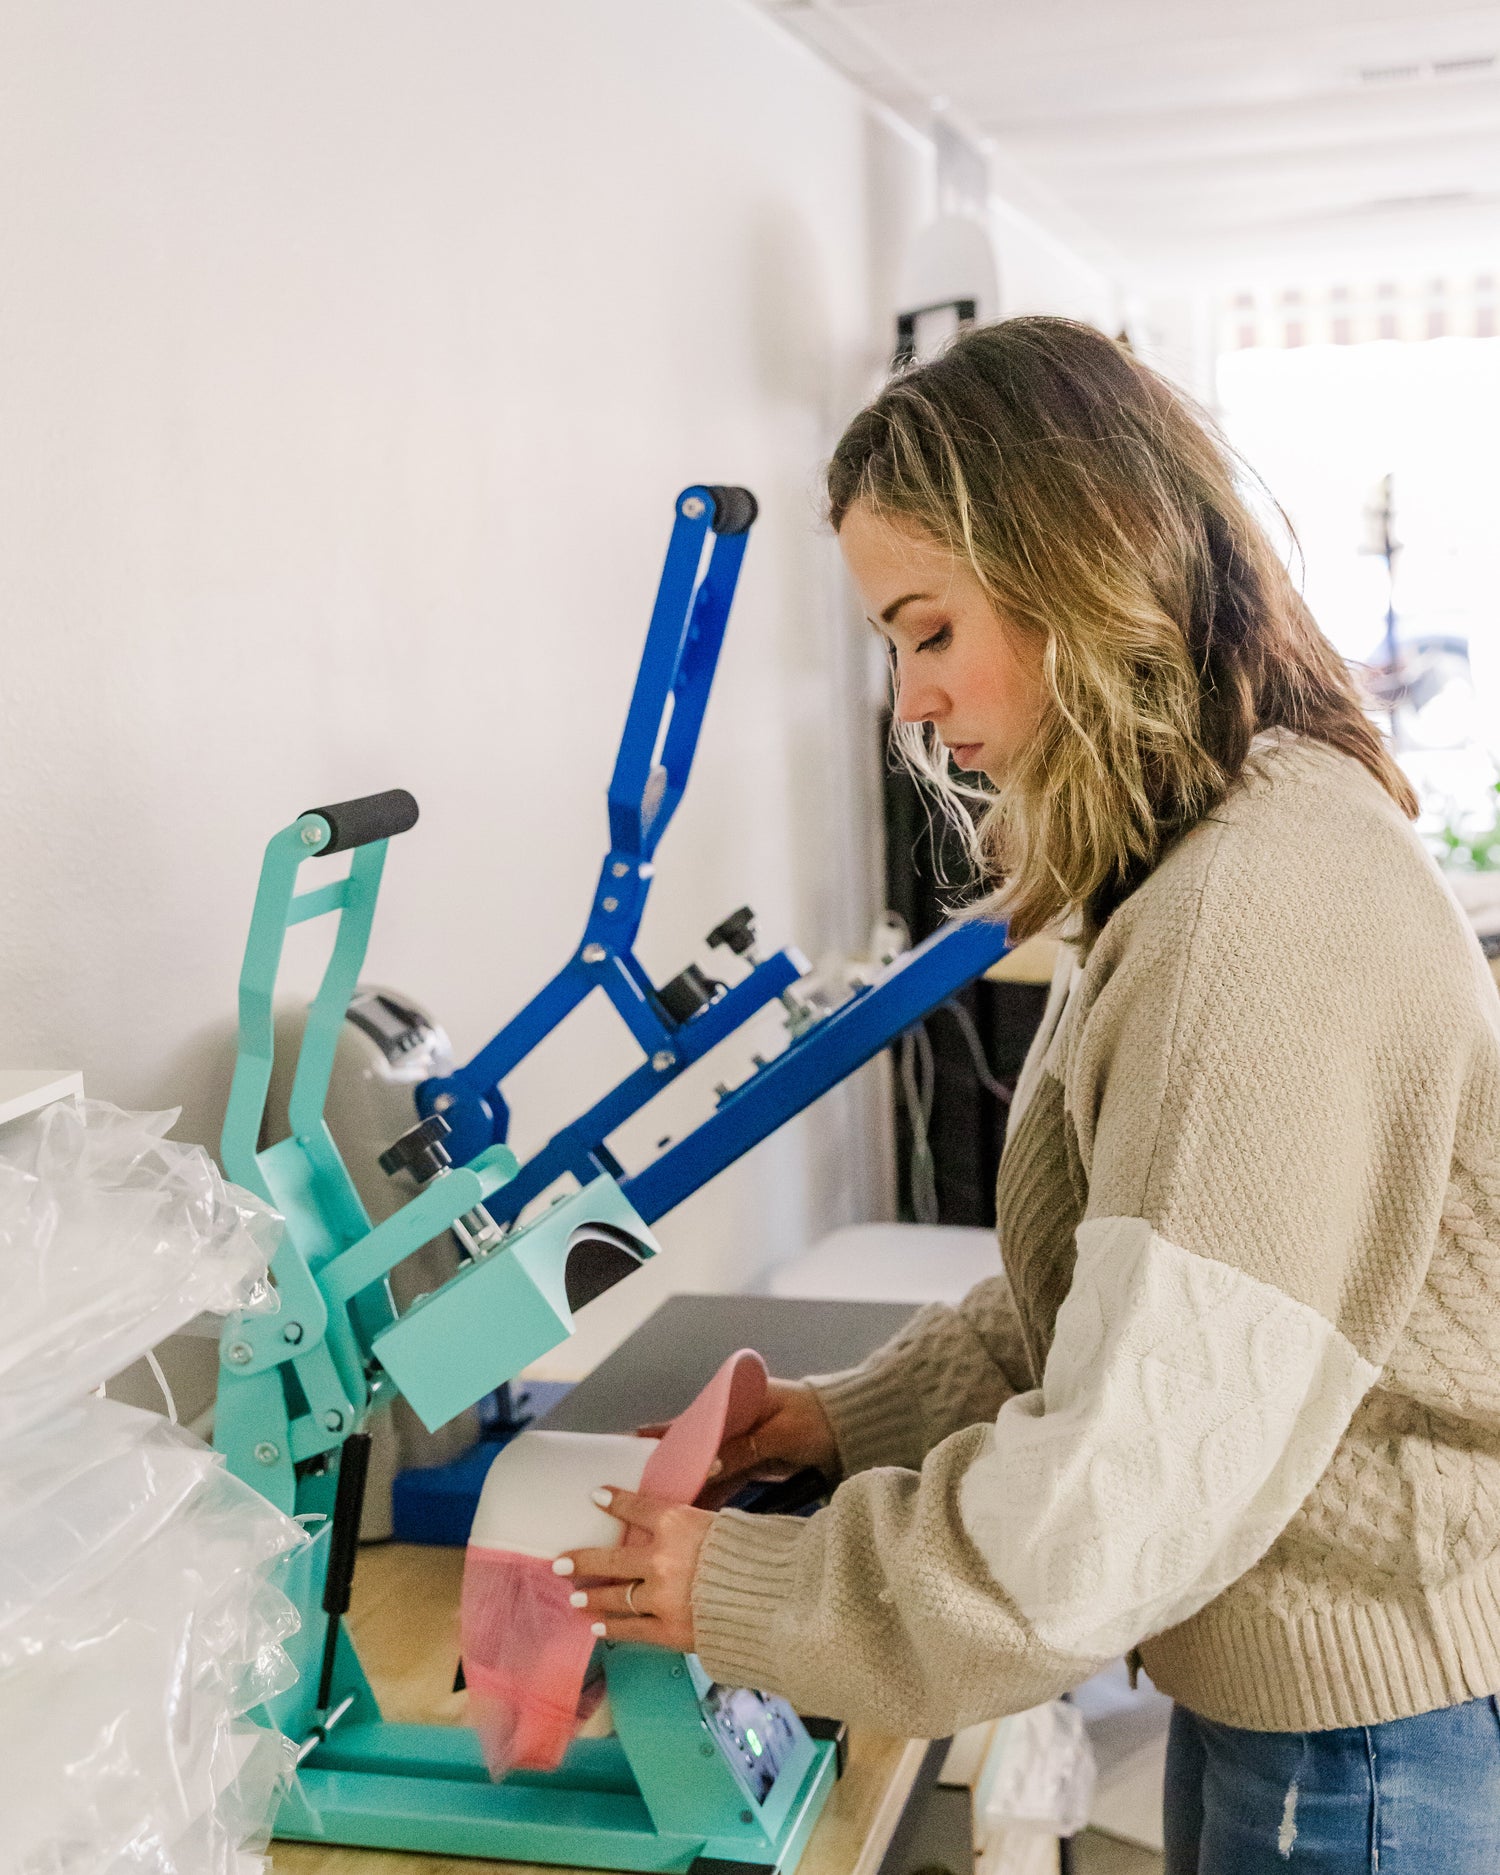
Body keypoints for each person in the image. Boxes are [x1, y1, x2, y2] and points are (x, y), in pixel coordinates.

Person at [552, 318, 1500, 1873]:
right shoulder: (1205, 855)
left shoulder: (1249, 917)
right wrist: (842, 1424)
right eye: (890, 648)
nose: (912, 704)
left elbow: (1120, 1490)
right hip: (1318, 1678)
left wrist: (742, 1589)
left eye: (930, 630)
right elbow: (1110, 1301)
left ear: (1074, 566)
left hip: (1364, 1732)